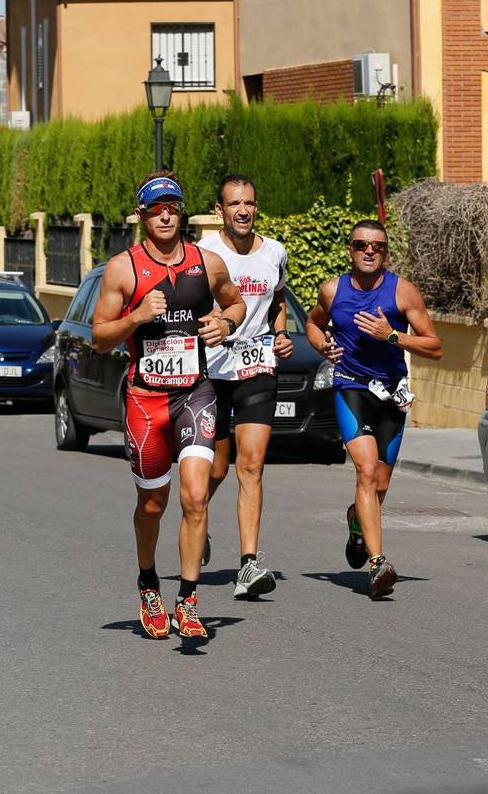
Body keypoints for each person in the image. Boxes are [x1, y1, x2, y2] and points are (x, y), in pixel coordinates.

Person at [91, 173, 246, 640]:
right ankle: (148, 584)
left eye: (172, 207)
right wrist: (137, 316)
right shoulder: (123, 268)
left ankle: (189, 600)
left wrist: (225, 322)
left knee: (196, 496)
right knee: (153, 503)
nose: (165, 215)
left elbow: (236, 303)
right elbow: (99, 337)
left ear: (181, 212)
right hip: (146, 400)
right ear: (142, 217)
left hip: (194, 392)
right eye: (156, 209)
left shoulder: (207, 262)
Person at [305, 220, 442, 599]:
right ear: (350, 250)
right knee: (366, 471)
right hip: (351, 386)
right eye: (361, 244)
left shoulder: (403, 292)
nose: (369, 251)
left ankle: (356, 521)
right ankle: (378, 562)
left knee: (379, 485)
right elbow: (313, 323)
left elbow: (435, 345)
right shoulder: (333, 290)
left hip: (392, 395)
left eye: (377, 246)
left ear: (386, 253)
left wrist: (393, 336)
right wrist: (321, 345)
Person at [197, 174, 292, 599]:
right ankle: (196, 519)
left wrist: (281, 334)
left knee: (251, 465)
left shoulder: (274, 253)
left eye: (249, 203)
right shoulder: (204, 254)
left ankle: (249, 565)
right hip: (211, 370)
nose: (243, 211)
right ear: (220, 210)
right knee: (217, 468)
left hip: (257, 366)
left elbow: (278, 300)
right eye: (234, 204)